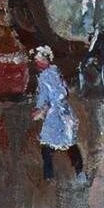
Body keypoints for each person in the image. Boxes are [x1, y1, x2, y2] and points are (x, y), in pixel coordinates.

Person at [31, 46, 85, 183]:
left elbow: (58, 93)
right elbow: (58, 92)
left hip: (57, 114)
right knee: (63, 143)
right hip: (58, 113)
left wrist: (42, 108)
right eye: (36, 60)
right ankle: (77, 173)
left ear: (46, 60)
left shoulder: (48, 75)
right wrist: (41, 108)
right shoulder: (52, 72)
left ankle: (52, 176)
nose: (37, 62)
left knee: (55, 143)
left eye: (39, 60)